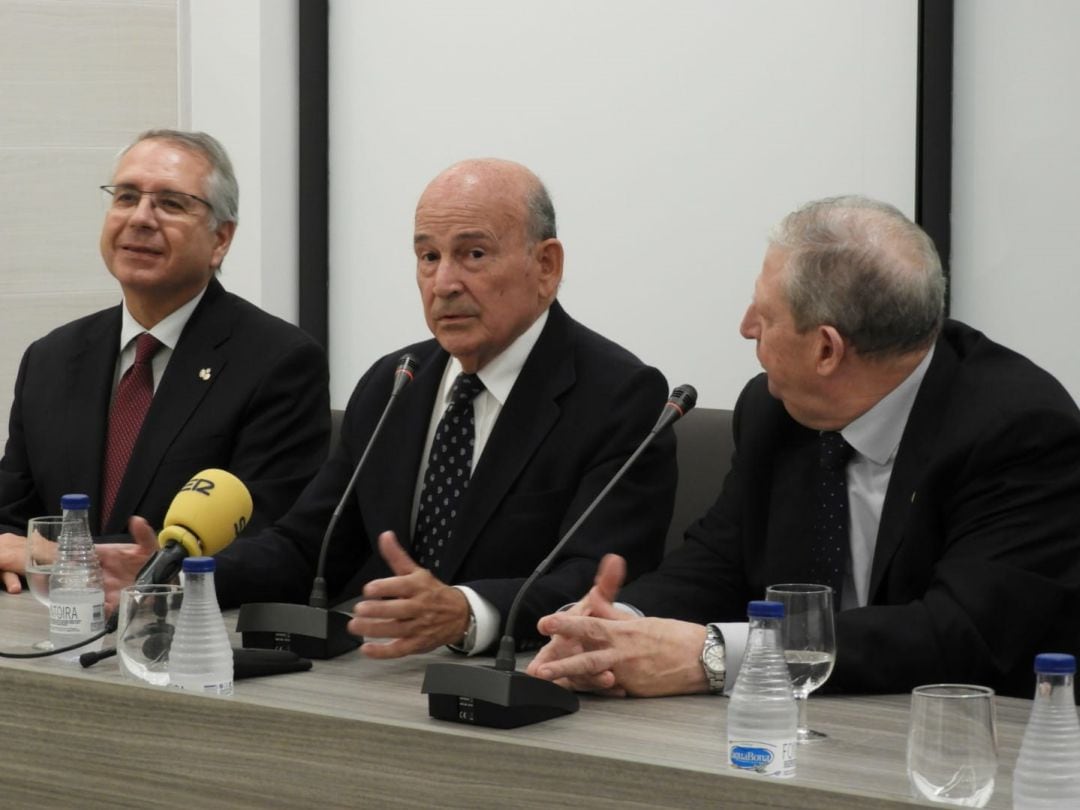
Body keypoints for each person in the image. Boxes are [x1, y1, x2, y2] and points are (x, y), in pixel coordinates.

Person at [115, 158, 676, 658]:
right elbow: (310, 546)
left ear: (546, 266)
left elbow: (598, 577)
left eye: (473, 254)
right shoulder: (396, 382)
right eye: (428, 256)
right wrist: (184, 573)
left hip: (525, 686)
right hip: (383, 679)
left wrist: (466, 610)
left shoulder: (620, 397)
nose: (444, 283)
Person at [527, 195, 1080, 699]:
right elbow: (716, 563)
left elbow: (960, 634)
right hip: (799, 732)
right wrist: (618, 624)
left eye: (764, 316)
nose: (745, 328)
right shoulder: (774, 410)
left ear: (826, 349)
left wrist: (717, 656)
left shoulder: (1020, 429)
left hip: (968, 743)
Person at [0, 129, 330, 598]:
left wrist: (55, 556)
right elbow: (8, 522)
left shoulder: (279, 362)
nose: (140, 218)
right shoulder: (51, 358)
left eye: (171, 204)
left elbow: (270, 545)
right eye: (127, 197)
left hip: (187, 640)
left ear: (221, 239)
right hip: (53, 633)